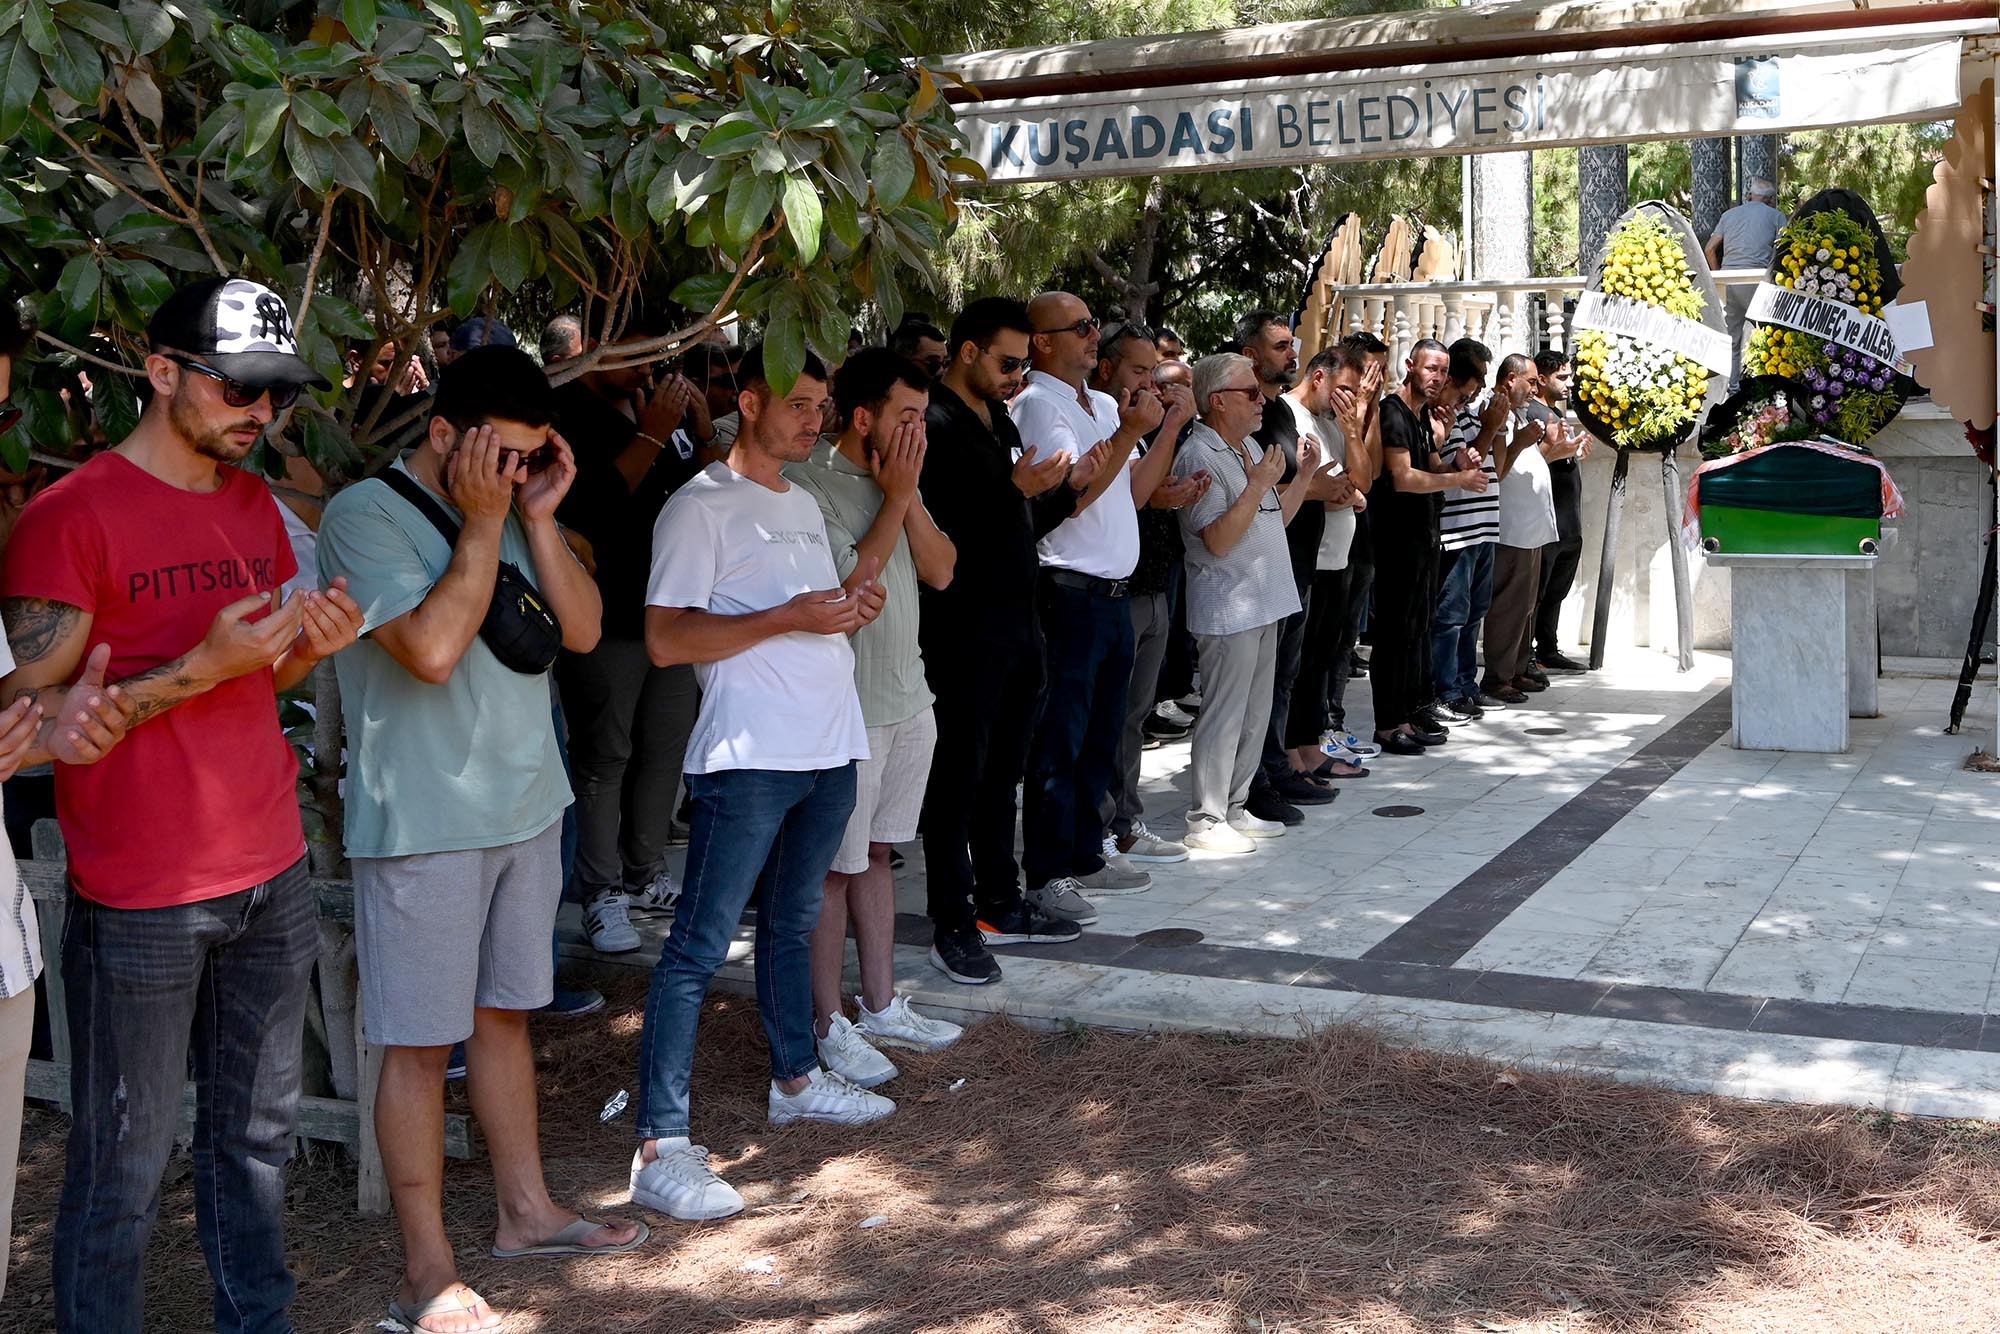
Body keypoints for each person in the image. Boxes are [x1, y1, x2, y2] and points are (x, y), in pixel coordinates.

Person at [1, 276, 362, 1332]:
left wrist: (301, 651)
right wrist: (195, 670)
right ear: (160, 373)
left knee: (255, 1142)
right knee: (122, 1166)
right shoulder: (70, 520)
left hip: (271, 870)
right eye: (238, 388)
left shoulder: (254, 503)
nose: (260, 414)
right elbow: (26, 719)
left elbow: (259, 681)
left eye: (276, 395)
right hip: (140, 894)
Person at [318, 345, 642, 1333]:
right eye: (498, 455)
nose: (511, 473)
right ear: (445, 432)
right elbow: (426, 648)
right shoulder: (361, 514)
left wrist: (535, 519)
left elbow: (581, 629)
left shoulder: (510, 508)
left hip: (526, 805)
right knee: (417, 1044)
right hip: (423, 821)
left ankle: (525, 1212)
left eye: (526, 457)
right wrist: (488, 523)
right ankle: (425, 1270)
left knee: (505, 1015)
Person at [629, 344, 893, 1225]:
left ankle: (796, 1078)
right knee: (699, 948)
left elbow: (810, 616)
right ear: (747, 402)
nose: (816, 419)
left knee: (793, 922)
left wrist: (846, 610)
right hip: (746, 757)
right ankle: (662, 1145)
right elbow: (666, 640)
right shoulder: (697, 508)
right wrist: (790, 617)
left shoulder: (802, 502)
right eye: (801, 404)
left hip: (827, 744)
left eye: (822, 405)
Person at [786, 348, 963, 1087]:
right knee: (833, 871)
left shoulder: (901, 479)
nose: (921, 431)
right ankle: (828, 1023)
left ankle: (882, 1003)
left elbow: (943, 568)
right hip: (844, 713)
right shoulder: (808, 483)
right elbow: (845, 583)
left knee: (880, 855)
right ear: (863, 419)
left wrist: (906, 493)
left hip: (908, 697)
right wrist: (894, 498)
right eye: (908, 418)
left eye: (925, 417)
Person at [917, 298, 1082, 985]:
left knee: (1000, 774)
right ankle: (951, 921)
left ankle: (999, 902)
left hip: (1019, 620)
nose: (1019, 375)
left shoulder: (997, 418)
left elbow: (1015, 520)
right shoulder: (931, 420)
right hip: (962, 626)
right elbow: (938, 526)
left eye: (1023, 362)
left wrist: (1068, 491)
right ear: (967, 352)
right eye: (1010, 361)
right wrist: (1012, 488)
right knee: (958, 777)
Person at [548, 320, 708, 953]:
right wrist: (650, 432)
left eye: (656, 357)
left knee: (664, 748)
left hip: (668, 611)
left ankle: (646, 870)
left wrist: (691, 433)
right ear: (589, 350)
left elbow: (700, 494)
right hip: (605, 617)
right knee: (605, 755)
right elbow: (591, 507)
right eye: (638, 355)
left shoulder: (648, 410)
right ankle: (601, 889)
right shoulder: (564, 414)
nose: (650, 369)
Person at [1012, 292, 1167, 928]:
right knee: (1061, 741)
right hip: (1068, 590)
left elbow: (1129, 490)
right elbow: (1071, 493)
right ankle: (1048, 872)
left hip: (1111, 593)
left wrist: (1164, 431)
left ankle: (1084, 851)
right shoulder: (1038, 405)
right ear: (1042, 342)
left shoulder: (1100, 403)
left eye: (1093, 322)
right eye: (1079, 327)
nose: (1092, 334)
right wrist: (1131, 431)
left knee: (1102, 736)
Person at [1171, 354, 1315, 854]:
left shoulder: (1246, 447)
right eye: (1250, 393)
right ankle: (1205, 818)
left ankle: (1234, 807)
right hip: (1228, 605)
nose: (1261, 400)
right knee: (1224, 714)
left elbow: (1273, 520)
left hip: (1264, 602)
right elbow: (1215, 540)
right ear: (1217, 402)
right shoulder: (1199, 455)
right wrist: (1256, 485)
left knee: (1254, 715)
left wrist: (1300, 478)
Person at [1092, 325, 1203, 868]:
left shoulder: (1134, 424)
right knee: (1105, 719)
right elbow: (1114, 495)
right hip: (1113, 590)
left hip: (1153, 582)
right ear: (1106, 367)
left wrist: (1171, 494)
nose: (1151, 382)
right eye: (1140, 370)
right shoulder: (1104, 419)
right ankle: (1097, 832)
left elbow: (1139, 493)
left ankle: (1126, 822)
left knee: (1132, 717)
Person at [1239, 310, 1340, 822]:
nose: (1292, 354)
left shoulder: (1278, 413)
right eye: (1280, 346)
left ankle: (1275, 766)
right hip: (1253, 567)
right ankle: (1251, 781)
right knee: (1258, 682)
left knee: (1283, 675)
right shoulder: (1246, 414)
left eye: (1292, 345)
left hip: (1293, 562)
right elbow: (1259, 493)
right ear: (1251, 354)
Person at [1368, 338, 1487, 756]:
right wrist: (1458, 481)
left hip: (1422, 540)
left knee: (1415, 631)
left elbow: (1427, 466)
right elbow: (1402, 477)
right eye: (1430, 369)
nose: (1437, 378)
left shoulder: (1422, 416)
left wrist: (1453, 459)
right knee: (1395, 635)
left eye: (1442, 371)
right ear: (1410, 366)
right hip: (1395, 541)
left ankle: (1409, 713)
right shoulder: (1393, 412)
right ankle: (1388, 724)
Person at [1278, 346, 1371, 782]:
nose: (1348, 400)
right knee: (1295, 665)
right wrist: (1337, 488)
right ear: (1318, 377)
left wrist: (1353, 430)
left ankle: (1310, 748)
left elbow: (1362, 481)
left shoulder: (1334, 423)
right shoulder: (1289, 414)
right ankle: (1290, 754)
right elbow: (1313, 483)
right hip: (1303, 558)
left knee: (1321, 660)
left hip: (1338, 560)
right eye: (1344, 390)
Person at [1486, 362, 1578, 702]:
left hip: (1532, 529)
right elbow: (1500, 468)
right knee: (1508, 606)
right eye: (1529, 381)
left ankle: (1520, 668)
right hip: (1512, 528)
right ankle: (1498, 678)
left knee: (1526, 605)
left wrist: (1554, 448)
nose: (1535, 389)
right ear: (1510, 379)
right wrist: (1523, 441)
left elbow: (1530, 460)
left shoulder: (1519, 415)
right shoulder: (1494, 413)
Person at [1323, 332, 1388, 763]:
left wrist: (1372, 408)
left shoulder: (1371, 407)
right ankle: (1320, 723)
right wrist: (1360, 407)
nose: (1376, 379)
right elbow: (1348, 473)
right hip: (1329, 544)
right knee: (1325, 640)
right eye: (1370, 371)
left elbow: (1373, 470)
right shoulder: (1333, 412)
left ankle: (1336, 717)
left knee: (1346, 637)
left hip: (1360, 539)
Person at [1430, 340, 1501, 723]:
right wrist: (1489, 429)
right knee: (1450, 616)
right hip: (1457, 530)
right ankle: (1445, 690)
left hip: (1484, 525)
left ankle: (1465, 684)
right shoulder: (1443, 417)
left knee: (1474, 613)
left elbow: (1494, 465)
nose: (1480, 388)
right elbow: (1461, 469)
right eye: (1477, 379)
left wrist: (1497, 428)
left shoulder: (1471, 416)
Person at [1528, 351, 1590, 673]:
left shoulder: (1554, 412)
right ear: (1541, 379)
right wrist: (1559, 451)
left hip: (1568, 522)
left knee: (1556, 592)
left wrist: (1572, 450)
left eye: (1569, 377)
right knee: (1536, 592)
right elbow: (1526, 463)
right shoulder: (1534, 415)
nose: (1569, 384)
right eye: (1562, 378)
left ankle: (1547, 648)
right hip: (1546, 522)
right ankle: (1525, 654)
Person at [1706, 178, 1788, 388]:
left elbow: (1709, 249)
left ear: (1750, 195)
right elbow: (1785, 250)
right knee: (1764, 336)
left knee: (1731, 340)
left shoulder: (1728, 215)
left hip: (1728, 282)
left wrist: (1718, 277)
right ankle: (1759, 388)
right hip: (1758, 281)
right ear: (1770, 200)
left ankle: (1730, 390)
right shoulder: (1777, 216)